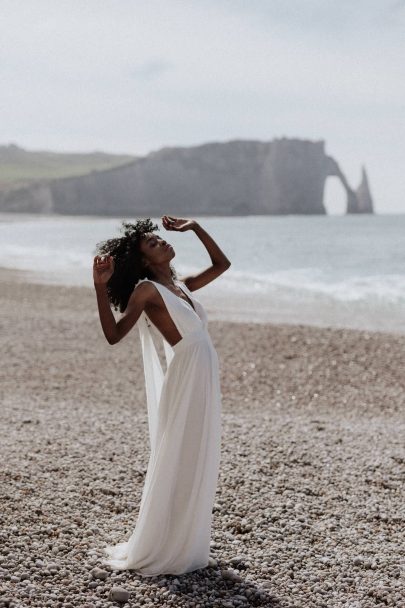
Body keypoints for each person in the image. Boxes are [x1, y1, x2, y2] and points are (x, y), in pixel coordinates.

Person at [92, 215, 231, 576]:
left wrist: (196, 227)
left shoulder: (180, 286)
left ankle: (187, 542)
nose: (162, 243)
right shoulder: (146, 290)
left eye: (159, 239)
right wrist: (98, 287)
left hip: (204, 372)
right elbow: (114, 334)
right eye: (153, 244)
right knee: (180, 454)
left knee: (199, 453)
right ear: (143, 261)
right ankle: (165, 546)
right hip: (186, 374)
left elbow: (222, 264)